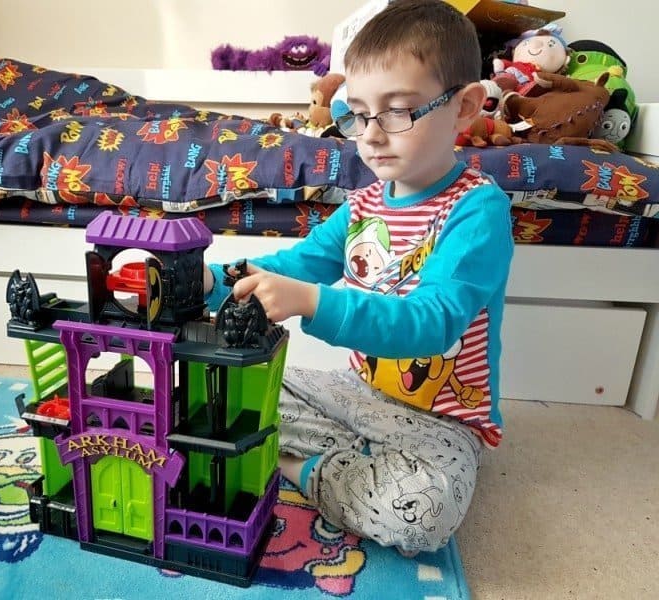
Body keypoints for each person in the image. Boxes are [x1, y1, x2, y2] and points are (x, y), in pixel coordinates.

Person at [204, 0, 514, 555]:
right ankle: (350, 460)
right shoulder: (363, 204)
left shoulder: (477, 211)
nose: (370, 136)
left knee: (422, 516)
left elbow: (434, 323)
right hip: (355, 393)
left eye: (398, 111)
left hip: (440, 421)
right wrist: (207, 280)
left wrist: (312, 303)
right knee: (219, 391)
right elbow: (294, 266)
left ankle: (298, 466)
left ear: (465, 106)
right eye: (357, 113)